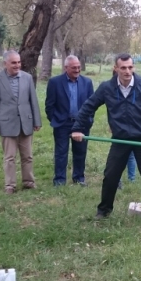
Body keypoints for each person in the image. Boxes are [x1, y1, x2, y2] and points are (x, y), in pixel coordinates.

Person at [71, 54, 141, 224]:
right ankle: (104, 210)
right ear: (116, 68)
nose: (127, 71)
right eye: (123, 68)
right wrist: (77, 128)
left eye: (130, 67)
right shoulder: (107, 88)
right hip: (120, 140)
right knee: (110, 176)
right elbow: (88, 106)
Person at [0, 50, 41, 193]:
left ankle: (28, 181)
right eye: (13, 63)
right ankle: (10, 185)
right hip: (7, 123)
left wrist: (36, 120)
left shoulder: (27, 78)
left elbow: (33, 100)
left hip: (26, 122)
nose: (17, 65)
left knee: (28, 156)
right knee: (9, 157)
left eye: (19, 62)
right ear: (5, 63)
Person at [45, 55, 94, 186]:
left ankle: (79, 178)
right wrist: (55, 119)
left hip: (81, 124)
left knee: (80, 152)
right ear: (66, 67)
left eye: (78, 67)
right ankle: (60, 180)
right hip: (62, 123)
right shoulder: (55, 82)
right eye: (74, 68)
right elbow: (49, 105)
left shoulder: (87, 82)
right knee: (61, 153)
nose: (77, 70)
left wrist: (89, 120)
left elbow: (92, 105)